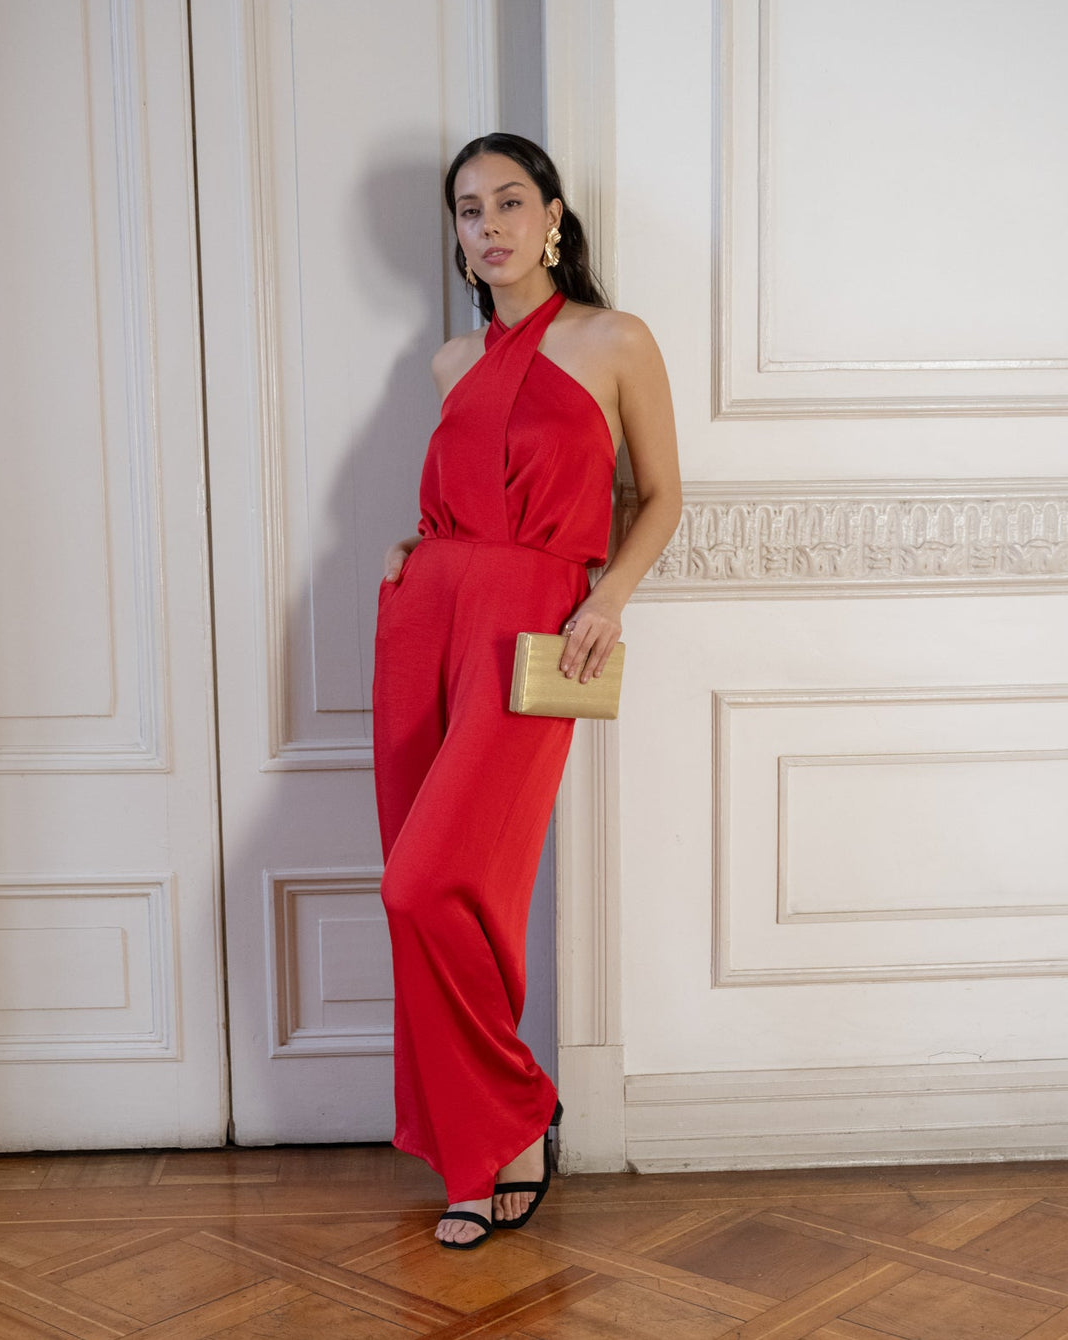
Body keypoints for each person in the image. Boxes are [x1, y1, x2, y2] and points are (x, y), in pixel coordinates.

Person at [372, 132, 681, 1248]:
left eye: (510, 201)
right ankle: (484, 1142)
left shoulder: (614, 339)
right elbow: (464, 496)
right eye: (469, 210)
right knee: (442, 891)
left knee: (430, 884)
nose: (490, 224)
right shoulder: (450, 362)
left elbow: (662, 495)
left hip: (534, 628)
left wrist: (607, 601)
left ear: (553, 216)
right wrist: (418, 554)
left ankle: (514, 1109)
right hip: (423, 620)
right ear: (457, 236)